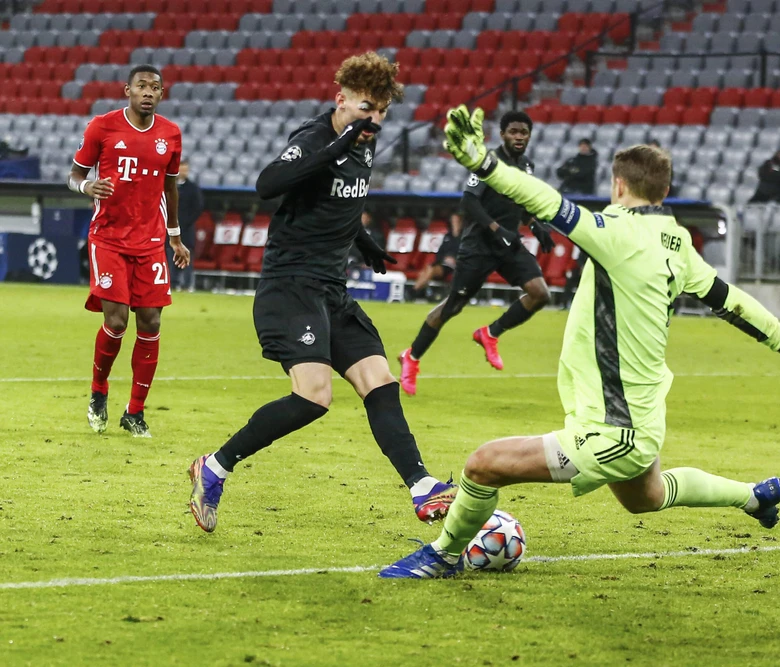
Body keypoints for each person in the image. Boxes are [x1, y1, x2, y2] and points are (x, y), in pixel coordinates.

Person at [379, 106, 780, 579]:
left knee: (482, 465)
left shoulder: (614, 232)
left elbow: (544, 200)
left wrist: (484, 164)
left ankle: (441, 556)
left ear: (619, 186)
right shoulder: (678, 242)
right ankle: (754, 496)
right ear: (664, 191)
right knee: (648, 497)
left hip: (612, 433)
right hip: (643, 421)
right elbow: (733, 302)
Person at [187, 52, 455, 534]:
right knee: (314, 396)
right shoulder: (316, 137)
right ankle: (215, 467)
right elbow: (267, 184)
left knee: (379, 381)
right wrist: (336, 145)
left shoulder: (365, 141)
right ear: (341, 100)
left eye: (380, 112)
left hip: (331, 289)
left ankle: (422, 485)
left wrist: (364, 241)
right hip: (290, 288)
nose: (372, 120)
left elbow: (340, 203)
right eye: (363, 108)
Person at [68, 64, 189, 438]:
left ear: (162, 94)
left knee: (151, 322)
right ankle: (99, 392)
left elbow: (170, 190)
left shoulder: (170, 134)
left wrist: (175, 237)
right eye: (142, 86)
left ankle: (134, 411)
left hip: (150, 241)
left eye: (155, 87)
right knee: (117, 321)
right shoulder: (101, 127)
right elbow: (73, 174)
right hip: (108, 239)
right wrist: (86, 187)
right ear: (127, 90)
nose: (148, 92)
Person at [398, 110, 554, 396]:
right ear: (503, 134)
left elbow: (521, 202)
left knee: (540, 293)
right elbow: (469, 202)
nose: (519, 137)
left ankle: (490, 333)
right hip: (480, 246)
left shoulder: (527, 166)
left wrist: (536, 225)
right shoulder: (487, 161)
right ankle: (412, 356)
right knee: (453, 306)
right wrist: (497, 230)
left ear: (530, 136)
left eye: (524, 132)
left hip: (508, 244)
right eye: (513, 132)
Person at [168, 158, 203, 291]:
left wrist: (185, 223)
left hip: (186, 230)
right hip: (170, 229)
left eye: (185, 169)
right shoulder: (169, 186)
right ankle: (172, 283)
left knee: (187, 256)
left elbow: (198, 208)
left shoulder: (193, 189)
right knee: (169, 255)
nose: (182, 171)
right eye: (180, 168)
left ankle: (188, 284)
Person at [412, 212, 464, 296]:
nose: (454, 223)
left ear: (461, 222)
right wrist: (442, 259)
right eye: (453, 220)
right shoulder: (448, 236)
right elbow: (440, 252)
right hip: (442, 263)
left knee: (430, 270)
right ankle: (417, 291)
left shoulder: (463, 237)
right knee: (426, 269)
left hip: (454, 267)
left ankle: (414, 291)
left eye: (456, 221)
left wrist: (455, 259)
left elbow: (465, 253)